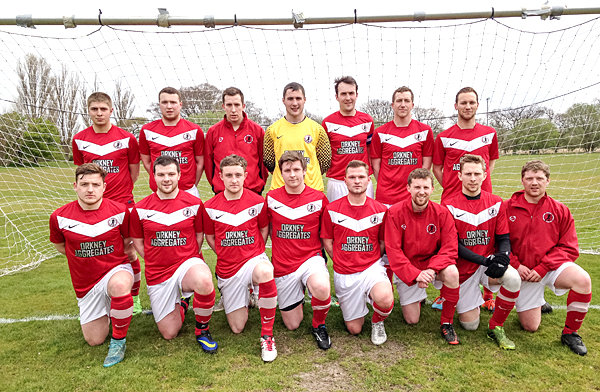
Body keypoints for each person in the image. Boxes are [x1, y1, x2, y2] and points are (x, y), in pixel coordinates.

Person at [130, 156, 218, 353]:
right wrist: (156, 258)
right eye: (161, 175)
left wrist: (185, 256)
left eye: (171, 174)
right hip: (158, 272)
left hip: (187, 263)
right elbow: (138, 243)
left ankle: (202, 330)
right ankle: (183, 303)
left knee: (203, 280)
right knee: (170, 333)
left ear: (179, 175)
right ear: (153, 177)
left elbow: (198, 237)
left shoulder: (194, 203)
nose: (166, 179)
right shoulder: (140, 209)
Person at [49, 163, 134, 367]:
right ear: (75, 186)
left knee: (120, 286)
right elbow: (61, 246)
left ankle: (118, 342)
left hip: (116, 269)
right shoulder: (59, 217)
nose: (90, 189)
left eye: (95, 184)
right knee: (94, 340)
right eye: (84, 184)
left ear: (104, 187)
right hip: (85, 283)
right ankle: (110, 310)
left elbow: (127, 242)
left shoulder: (120, 211)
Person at [506, 160, 592, 356]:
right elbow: (498, 243)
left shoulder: (560, 210)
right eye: (529, 178)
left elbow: (569, 247)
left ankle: (570, 333)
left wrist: (544, 267)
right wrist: (516, 264)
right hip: (523, 272)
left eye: (539, 178)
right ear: (522, 180)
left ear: (548, 181)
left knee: (583, 280)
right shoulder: (506, 208)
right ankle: (537, 300)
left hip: (550, 268)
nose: (534, 183)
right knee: (530, 327)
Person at [72, 92, 143, 315]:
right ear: (89, 111)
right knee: (100, 251)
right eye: (95, 109)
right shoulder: (79, 139)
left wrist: (117, 196)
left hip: (123, 204)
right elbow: (82, 172)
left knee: (128, 251)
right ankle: (102, 293)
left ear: (111, 110)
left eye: (103, 109)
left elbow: (133, 172)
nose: (99, 113)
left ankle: (135, 295)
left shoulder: (127, 138)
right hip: (93, 208)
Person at [202, 154, 278, 362]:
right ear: (220, 177)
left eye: (238, 175)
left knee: (264, 271)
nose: (234, 180)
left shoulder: (257, 202)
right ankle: (246, 293)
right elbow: (210, 237)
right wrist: (226, 254)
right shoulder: (210, 206)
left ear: (246, 175)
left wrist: (251, 253)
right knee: (237, 327)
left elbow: (263, 230)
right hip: (228, 267)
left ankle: (267, 335)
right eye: (229, 175)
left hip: (253, 259)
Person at [432, 87, 500, 312]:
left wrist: (479, 185)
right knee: (450, 248)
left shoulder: (489, 133)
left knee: (486, 242)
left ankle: (489, 293)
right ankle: (446, 293)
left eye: (472, 102)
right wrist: (452, 189)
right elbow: (438, 168)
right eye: (463, 103)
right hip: (452, 201)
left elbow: (489, 165)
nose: (467, 106)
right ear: (456, 106)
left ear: (477, 105)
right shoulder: (443, 137)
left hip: (483, 202)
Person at [443, 155, 521, 349]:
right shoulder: (448, 205)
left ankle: (496, 326)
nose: (472, 178)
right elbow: (454, 246)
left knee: (513, 278)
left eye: (477, 174)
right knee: (470, 325)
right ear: (459, 175)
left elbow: (503, 238)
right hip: (465, 268)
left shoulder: (496, 202)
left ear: (485, 175)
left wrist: (503, 258)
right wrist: (486, 261)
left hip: (488, 264)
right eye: (468, 174)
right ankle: (472, 300)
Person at [385, 168, 461, 345]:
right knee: (412, 320)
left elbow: (450, 247)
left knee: (452, 273)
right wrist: (415, 274)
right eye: (417, 187)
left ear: (433, 189)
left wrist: (431, 269)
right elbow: (393, 251)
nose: (421, 192)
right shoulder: (395, 213)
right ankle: (418, 297)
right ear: (408, 188)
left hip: (433, 266)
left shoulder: (442, 213)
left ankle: (447, 322)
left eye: (426, 187)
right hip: (409, 268)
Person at [321, 160, 394, 345]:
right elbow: (327, 241)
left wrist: (371, 260)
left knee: (385, 298)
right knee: (354, 329)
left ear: (369, 180)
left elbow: (383, 242)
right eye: (352, 177)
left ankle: (377, 321)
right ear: (344, 180)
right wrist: (338, 260)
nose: (357, 181)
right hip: (344, 273)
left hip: (371, 268)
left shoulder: (381, 210)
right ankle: (362, 300)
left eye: (361, 177)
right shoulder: (331, 210)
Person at [266, 151, 332, 350]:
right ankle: (299, 293)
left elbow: (325, 233)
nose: (292, 174)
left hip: (311, 259)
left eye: (296, 169)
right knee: (292, 325)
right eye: (287, 170)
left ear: (305, 171)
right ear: (281, 173)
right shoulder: (270, 199)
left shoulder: (319, 198)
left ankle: (319, 324)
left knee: (321, 287)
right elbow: (265, 230)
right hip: (283, 265)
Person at [370, 86, 434, 206]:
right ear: (392, 105)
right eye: (399, 101)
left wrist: (416, 186)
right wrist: (386, 184)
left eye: (407, 101)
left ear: (412, 105)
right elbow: (376, 166)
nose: (403, 104)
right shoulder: (380, 133)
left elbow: (426, 165)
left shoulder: (425, 131)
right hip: (386, 197)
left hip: (413, 196)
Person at [263, 82, 331, 192]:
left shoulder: (317, 129)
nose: (294, 103)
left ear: (304, 99)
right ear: (283, 100)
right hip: (280, 190)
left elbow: (325, 162)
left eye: (298, 98)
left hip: (312, 190)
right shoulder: (272, 130)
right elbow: (269, 163)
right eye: (290, 99)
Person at [139, 87, 204, 198]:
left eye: (173, 102)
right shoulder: (147, 130)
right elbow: (147, 163)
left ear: (180, 104)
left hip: (188, 191)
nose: (169, 106)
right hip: (158, 192)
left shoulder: (194, 130)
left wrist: (191, 185)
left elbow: (200, 163)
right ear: (159, 105)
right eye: (164, 102)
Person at [204, 87, 268, 195]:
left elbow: (263, 163)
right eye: (229, 105)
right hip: (223, 193)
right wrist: (218, 184)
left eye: (237, 105)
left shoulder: (257, 131)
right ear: (223, 106)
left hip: (252, 191)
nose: (233, 110)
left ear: (243, 106)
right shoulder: (213, 132)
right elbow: (208, 164)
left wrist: (257, 184)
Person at [321, 76, 375, 201]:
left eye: (351, 93)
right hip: (337, 182)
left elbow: (370, 149)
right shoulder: (327, 123)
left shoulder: (367, 121)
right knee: (337, 219)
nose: (348, 98)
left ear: (356, 95)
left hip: (362, 180)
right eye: (343, 94)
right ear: (337, 97)